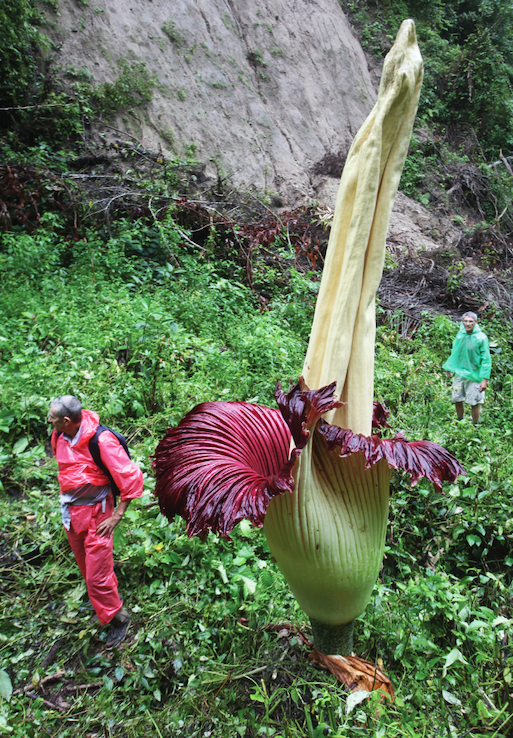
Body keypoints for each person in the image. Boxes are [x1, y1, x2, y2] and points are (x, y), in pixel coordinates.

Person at [48, 395, 143, 648]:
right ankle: (105, 602)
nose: (49, 421)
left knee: (96, 577)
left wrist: (116, 515)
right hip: (72, 516)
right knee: (87, 568)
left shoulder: (101, 440)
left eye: (53, 418)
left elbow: (130, 478)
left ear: (67, 420)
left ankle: (119, 618)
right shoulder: (59, 435)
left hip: (98, 516)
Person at [442, 312, 492, 426]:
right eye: (465, 321)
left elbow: (486, 360)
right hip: (460, 373)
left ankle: (475, 426)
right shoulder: (460, 335)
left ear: (476, 322)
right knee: (457, 398)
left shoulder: (481, 338)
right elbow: (455, 352)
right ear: (462, 322)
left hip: (475, 374)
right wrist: (450, 367)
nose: (467, 324)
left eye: (470, 321)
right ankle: (460, 421)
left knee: (474, 401)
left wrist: (484, 379)